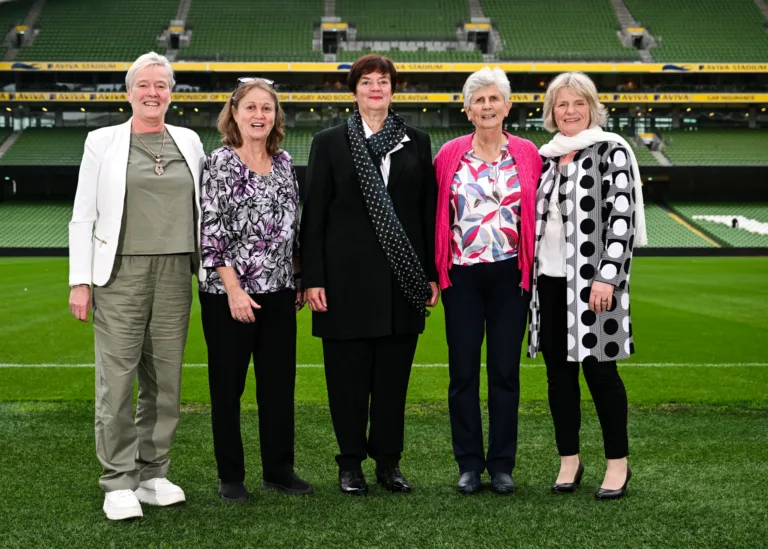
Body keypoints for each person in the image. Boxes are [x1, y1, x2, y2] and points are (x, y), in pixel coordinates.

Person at [67, 52, 205, 520]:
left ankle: (152, 474)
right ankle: (118, 480)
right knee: (118, 382)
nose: (152, 93)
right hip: (119, 273)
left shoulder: (188, 139)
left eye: (161, 85)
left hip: (174, 273)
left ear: (171, 92)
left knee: (165, 382)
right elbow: (83, 214)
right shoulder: (101, 141)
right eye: (143, 85)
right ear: (129, 92)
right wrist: (79, 282)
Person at [301, 54, 439, 495]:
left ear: (393, 90)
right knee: (347, 383)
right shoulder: (329, 142)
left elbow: (426, 214)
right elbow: (314, 216)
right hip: (343, 284)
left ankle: (389, 463)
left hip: (401, 282)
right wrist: (313, 278)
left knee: (392, 384)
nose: (375, 88)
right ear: (354, 90)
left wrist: (431, 274)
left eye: (383, 81)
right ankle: (349, 465)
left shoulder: (417, 141)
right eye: (367, 81)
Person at [528, 71, 648, 500]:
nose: (571, 111)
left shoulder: (610, 151)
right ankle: (570, 460)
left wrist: (607, 278)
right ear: (551, 112)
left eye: (579, 103)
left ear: (592, 108)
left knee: (601, 375)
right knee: (559, 379)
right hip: (549, 283)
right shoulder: (545, 158)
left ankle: (618, 464)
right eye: (562, 104)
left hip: (594, 286)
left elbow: (623, 220)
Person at [198, 78, 313, 502]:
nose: (259, 115)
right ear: (235, 113)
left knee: (278, 386)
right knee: (228, 388)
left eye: (267, 108)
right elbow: (212, 231)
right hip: (227, 293)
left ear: (276, 117)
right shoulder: (218, 163)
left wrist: (298, 276)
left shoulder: (284, 163)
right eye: (250, 108)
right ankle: (231, 476)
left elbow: (291, 228)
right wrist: (233, 290)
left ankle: (279, 469)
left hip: (280, 290)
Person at [433, 67, 542, 495]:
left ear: (508, 105)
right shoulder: (449, 154)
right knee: (462, 373)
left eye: (494, 99)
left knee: (503, 372)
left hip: (510, 276)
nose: (487, 106)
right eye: (478, 100)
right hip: (460, 275)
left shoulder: (529, 153)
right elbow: (435, 214)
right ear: (467, 109)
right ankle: (468, 463)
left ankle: (501, 464)